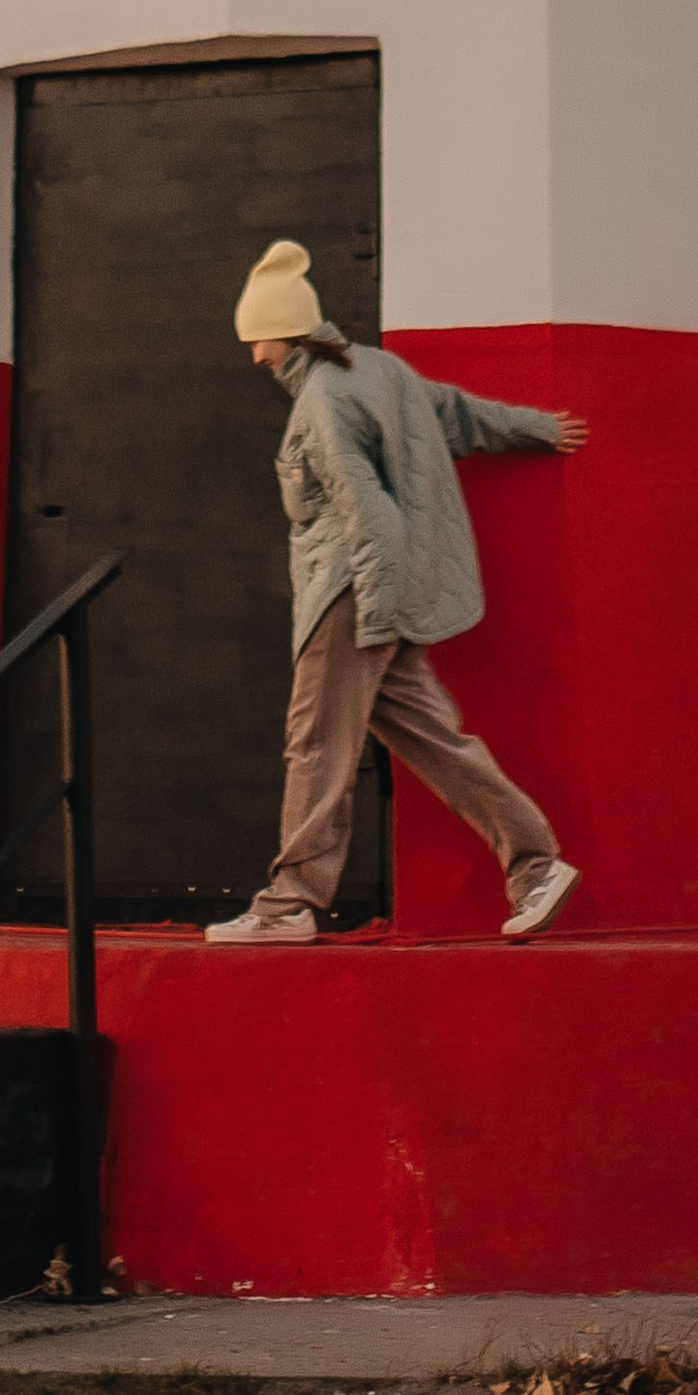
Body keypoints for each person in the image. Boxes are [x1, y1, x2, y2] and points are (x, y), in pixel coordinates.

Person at [205, 238, 588, 947]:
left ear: (277, 334)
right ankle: (537, 865)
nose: (252, 353)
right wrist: (535, 428)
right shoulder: (379, 370)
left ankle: (289, 903)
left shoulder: (319, 400)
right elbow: (456, 412)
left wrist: (377, 616)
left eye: (254, 338)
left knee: (316, 746)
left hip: (351, 599)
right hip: (386, 595)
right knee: (439, 740)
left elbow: (366, 509)